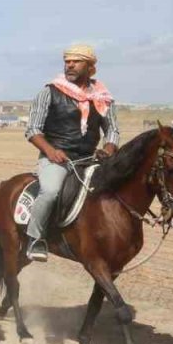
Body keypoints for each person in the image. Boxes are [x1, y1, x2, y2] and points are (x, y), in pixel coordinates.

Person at [24, 44, 119, 261]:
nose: (70, 65)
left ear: (90, 66)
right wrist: (51, 151)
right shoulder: (49, 92)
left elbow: (112, 130)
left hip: (90, 160)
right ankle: (35, 238)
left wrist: (109, 148)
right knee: (50, 192)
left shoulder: (103, 97)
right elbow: (32, 130)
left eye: (76, 61)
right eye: (67, 61)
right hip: (57, 159)